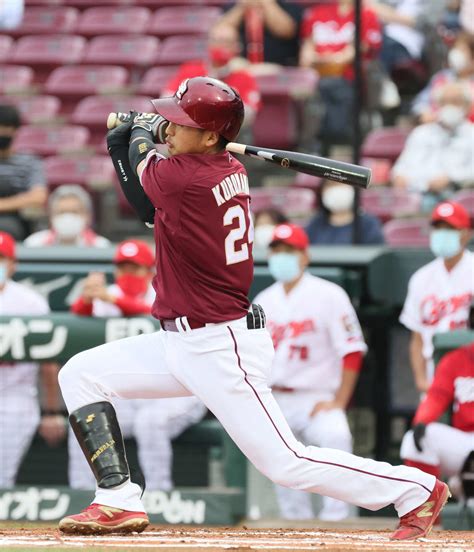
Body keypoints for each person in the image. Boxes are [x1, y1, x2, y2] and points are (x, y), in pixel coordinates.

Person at [57, 76, 449, 540]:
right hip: (180, 340)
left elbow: (149, 165)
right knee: (80, 373)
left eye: (181, 122)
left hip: (220, 344)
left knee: (286, 462)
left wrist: (141, 132)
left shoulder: (189, 178)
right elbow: (149, 208)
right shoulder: (218, 169)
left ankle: (416, 488)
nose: (170, 125)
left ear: (209, 137)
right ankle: (117, 500)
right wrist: (133, 140)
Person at [68, 238, 206, 491]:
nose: (128, 274)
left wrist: (111, 299)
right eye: (123, 268)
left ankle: (158, 493)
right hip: (131, 395)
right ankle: (82, 492)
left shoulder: (166, 291)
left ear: (149, 270)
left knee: (150, 422)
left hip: (177, 392)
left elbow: (150, 312)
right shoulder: (111, 295)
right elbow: (79, 316)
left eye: (135, 268)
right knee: (85, 417)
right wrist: (87, 299)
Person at [254, 223, 367, 521]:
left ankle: (339, 520)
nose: (281, 257)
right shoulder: (263, 300)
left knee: (337, 438)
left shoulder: (330, 294)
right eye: (276, 250)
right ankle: (296, 526)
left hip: (318, 396)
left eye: (288, 251)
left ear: (304, 256)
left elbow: (353, 350)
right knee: (281, 462)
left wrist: (340, 400)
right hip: (276, 396)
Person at [0, 231, 65, 488]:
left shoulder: (30, 302)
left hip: (15, 398)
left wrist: (51, 412)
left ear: (13, 263)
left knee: (1, 479)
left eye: (1, 257)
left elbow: (48, 363)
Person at [400, 201, 473, 393]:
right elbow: (416, 338)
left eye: (450, 228)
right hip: (436, 374)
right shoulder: (421, 278)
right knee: (424, 424)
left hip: (471, 372)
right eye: (438, 227)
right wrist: (421, 380)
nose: (443, 233)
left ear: (466, 233)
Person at [299, 0, 382, 148]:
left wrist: (326, 61)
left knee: (333, 87)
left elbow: (355, 51)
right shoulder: (317, 12)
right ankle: (310, 142)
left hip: (348, 78)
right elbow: (306, 55)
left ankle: (339, 138)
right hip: (316, 77)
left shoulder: (365, 14)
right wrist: (327, 61)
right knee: (307, 89)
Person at [400, 342, 474, 499]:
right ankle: (428, 516)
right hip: (466, 443)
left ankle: (463, 488)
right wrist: (422, 421)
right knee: (415, 442)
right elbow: (437, 396)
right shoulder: (457, 359)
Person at [391, 82, 474, 212]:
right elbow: (400, 170)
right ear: (437, 105)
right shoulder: (421, 133)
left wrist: (451, 178)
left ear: (467, 106)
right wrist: (400, 176)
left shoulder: (471, 134)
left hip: (456, 194)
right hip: (417, 194)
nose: (450, 106)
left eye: (456, 101)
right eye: (445, 102)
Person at [162, 24, 261, 129]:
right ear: (208, 44)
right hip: (189, 128)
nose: (221, 46)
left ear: (236, 47)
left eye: (226, 42)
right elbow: (167, 99)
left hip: (229, 133)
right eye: (216, 41)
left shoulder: (244, 76)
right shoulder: (190, 70)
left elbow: (248, 115)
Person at [0, 104, 47, 240]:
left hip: (17, 221)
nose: (2, 132)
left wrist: (2, 205)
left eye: (6, 128)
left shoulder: (29, 161)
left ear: (15, 131)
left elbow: (38, 196)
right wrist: (21, 200)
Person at [215, 0, 302, 66]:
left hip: (278, 66)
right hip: (241, 65)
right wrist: (241, 7)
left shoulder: (289, 7)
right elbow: (220, 32)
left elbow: (286, 31)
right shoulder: (233, 7)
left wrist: (267, 3)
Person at [412, 32, 474, 123]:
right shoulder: (441, 78)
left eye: (463, 50)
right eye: (456, 48)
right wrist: (424, 114)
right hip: (438, 131)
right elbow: (420, 103)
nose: (457, 53)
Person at [24, 185, 110, 247]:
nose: (68, 217)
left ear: (88, 216)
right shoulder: (34, 244)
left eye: (74, 212)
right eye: (61, 212)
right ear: (51, 217)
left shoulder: (101, 246)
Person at [306, 180, 385, 245]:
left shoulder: (369, 225)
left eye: (343, 183)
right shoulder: (315, 225)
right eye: (331, 185)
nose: (337, 190)